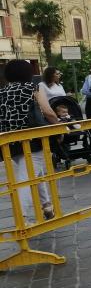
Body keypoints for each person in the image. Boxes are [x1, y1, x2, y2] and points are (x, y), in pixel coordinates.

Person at [0, 60, 60, 220]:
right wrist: (60, 126)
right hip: (32, 140)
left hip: (10, 143)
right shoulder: (33, 88)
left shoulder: (2, 91)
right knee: (25, 179)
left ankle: (47, 205)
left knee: (34, 171)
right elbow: (48, 111)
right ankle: (22, 218)